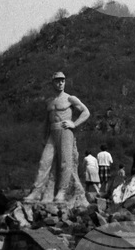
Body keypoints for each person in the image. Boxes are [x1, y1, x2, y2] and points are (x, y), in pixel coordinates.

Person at [26, 71, 91, 203]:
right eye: (58, 80)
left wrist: (74, 123)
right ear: (53, 82)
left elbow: (86, 112)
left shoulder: (70, 98)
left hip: (65, 131)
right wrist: (43, 137)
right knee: (44, 162)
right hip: (52, 132)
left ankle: (62, 191)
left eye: (63, 80)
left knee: (65, 162)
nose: (61, 83)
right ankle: (36, 191)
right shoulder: (50, 101)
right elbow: (46, 121)